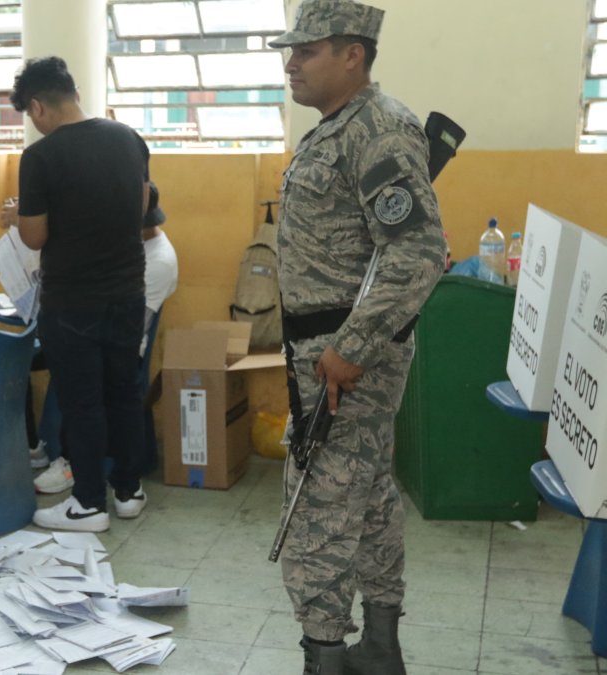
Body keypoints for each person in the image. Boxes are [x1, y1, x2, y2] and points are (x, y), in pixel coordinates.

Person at [269, 2, 445, 674]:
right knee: (368, 496)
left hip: (347, 359)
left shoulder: (378, 129)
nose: (291, 63)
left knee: (319, 507)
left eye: (306, 51)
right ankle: (379, 646)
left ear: (353, 54)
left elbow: (420, 253)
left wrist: (352, 348)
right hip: (326, 352)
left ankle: (325, 656)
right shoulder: (339, 128)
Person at [9, 56, 151, 533]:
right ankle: (128, 492)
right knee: (124, 393)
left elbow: (33, 237)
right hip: (129, 292)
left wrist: (21, 216)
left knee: (83, 402)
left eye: (30, 115)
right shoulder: (128, 138)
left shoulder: (42, 157)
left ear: (37, 106)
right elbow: (144, 205)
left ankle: (89, 504)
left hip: (72, 302)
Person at [11, 183, 178, 493]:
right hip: (92, 329)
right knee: (15, 358)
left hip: (120, 347)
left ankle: (71, 462)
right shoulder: (130, 245)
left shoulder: (159, 261)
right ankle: (39, 445)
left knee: (70, 358)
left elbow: (129, 330)